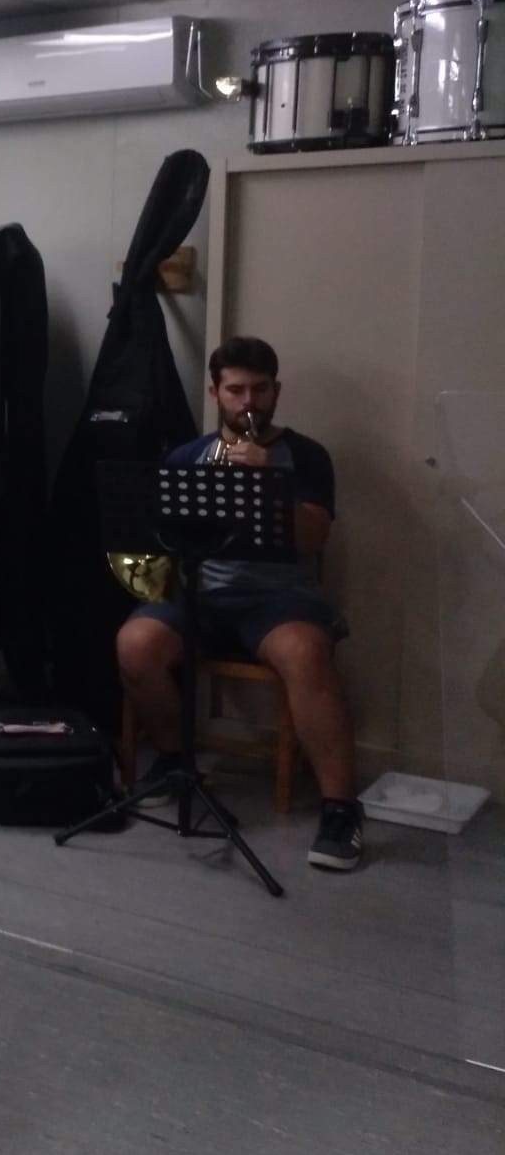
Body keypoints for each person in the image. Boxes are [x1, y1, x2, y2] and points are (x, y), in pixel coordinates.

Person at [116, 336, 363, 871]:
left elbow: (313, 539)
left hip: (279, 600)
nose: (248, 400)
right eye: (235, 390)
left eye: (259, 389)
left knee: (305, 654)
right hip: (202, 595)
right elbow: (161, 540)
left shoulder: (307, 455)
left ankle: (341, 809)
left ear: (276, 391)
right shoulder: (188, 456)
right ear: (215, 393)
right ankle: (175, 762)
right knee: (136, 644)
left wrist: (267, 481)